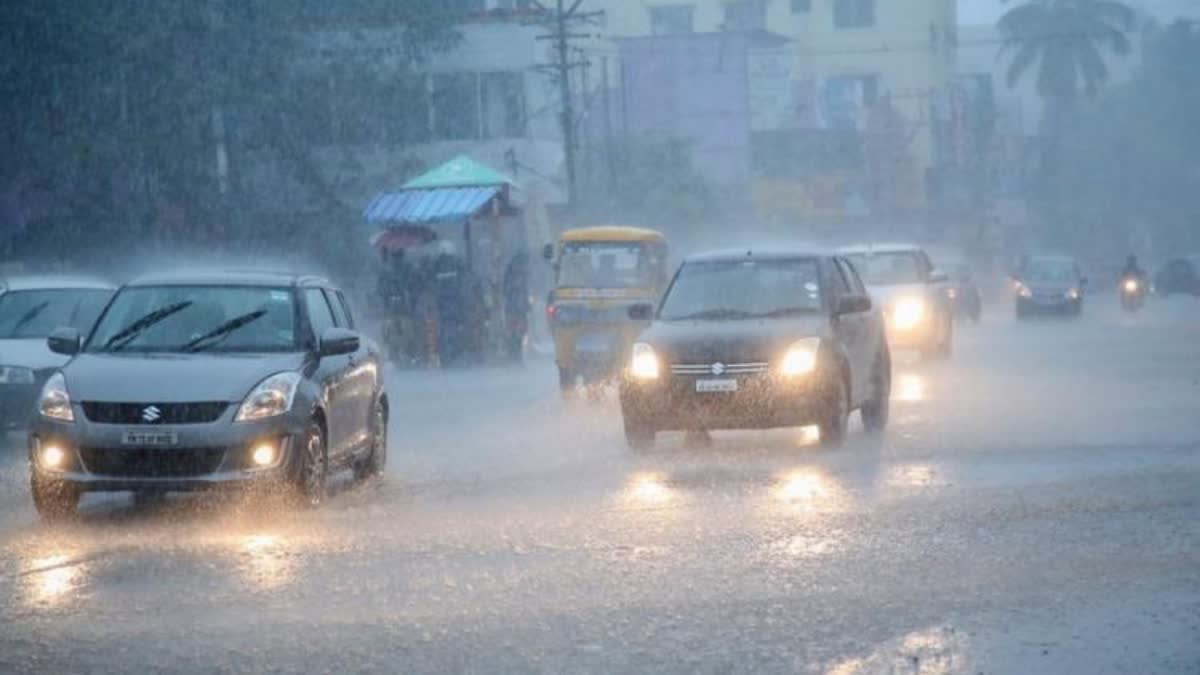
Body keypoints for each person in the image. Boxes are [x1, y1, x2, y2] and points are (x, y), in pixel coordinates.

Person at [502, 252, 531, 362]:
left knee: (514, 334)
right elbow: (521, 291)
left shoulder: (511, 273)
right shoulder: (519, 274)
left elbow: (506, 290)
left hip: (512, 309)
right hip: (517, 310)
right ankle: (516, 357)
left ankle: (514, 356)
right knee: (518, 334)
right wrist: (525, 305)